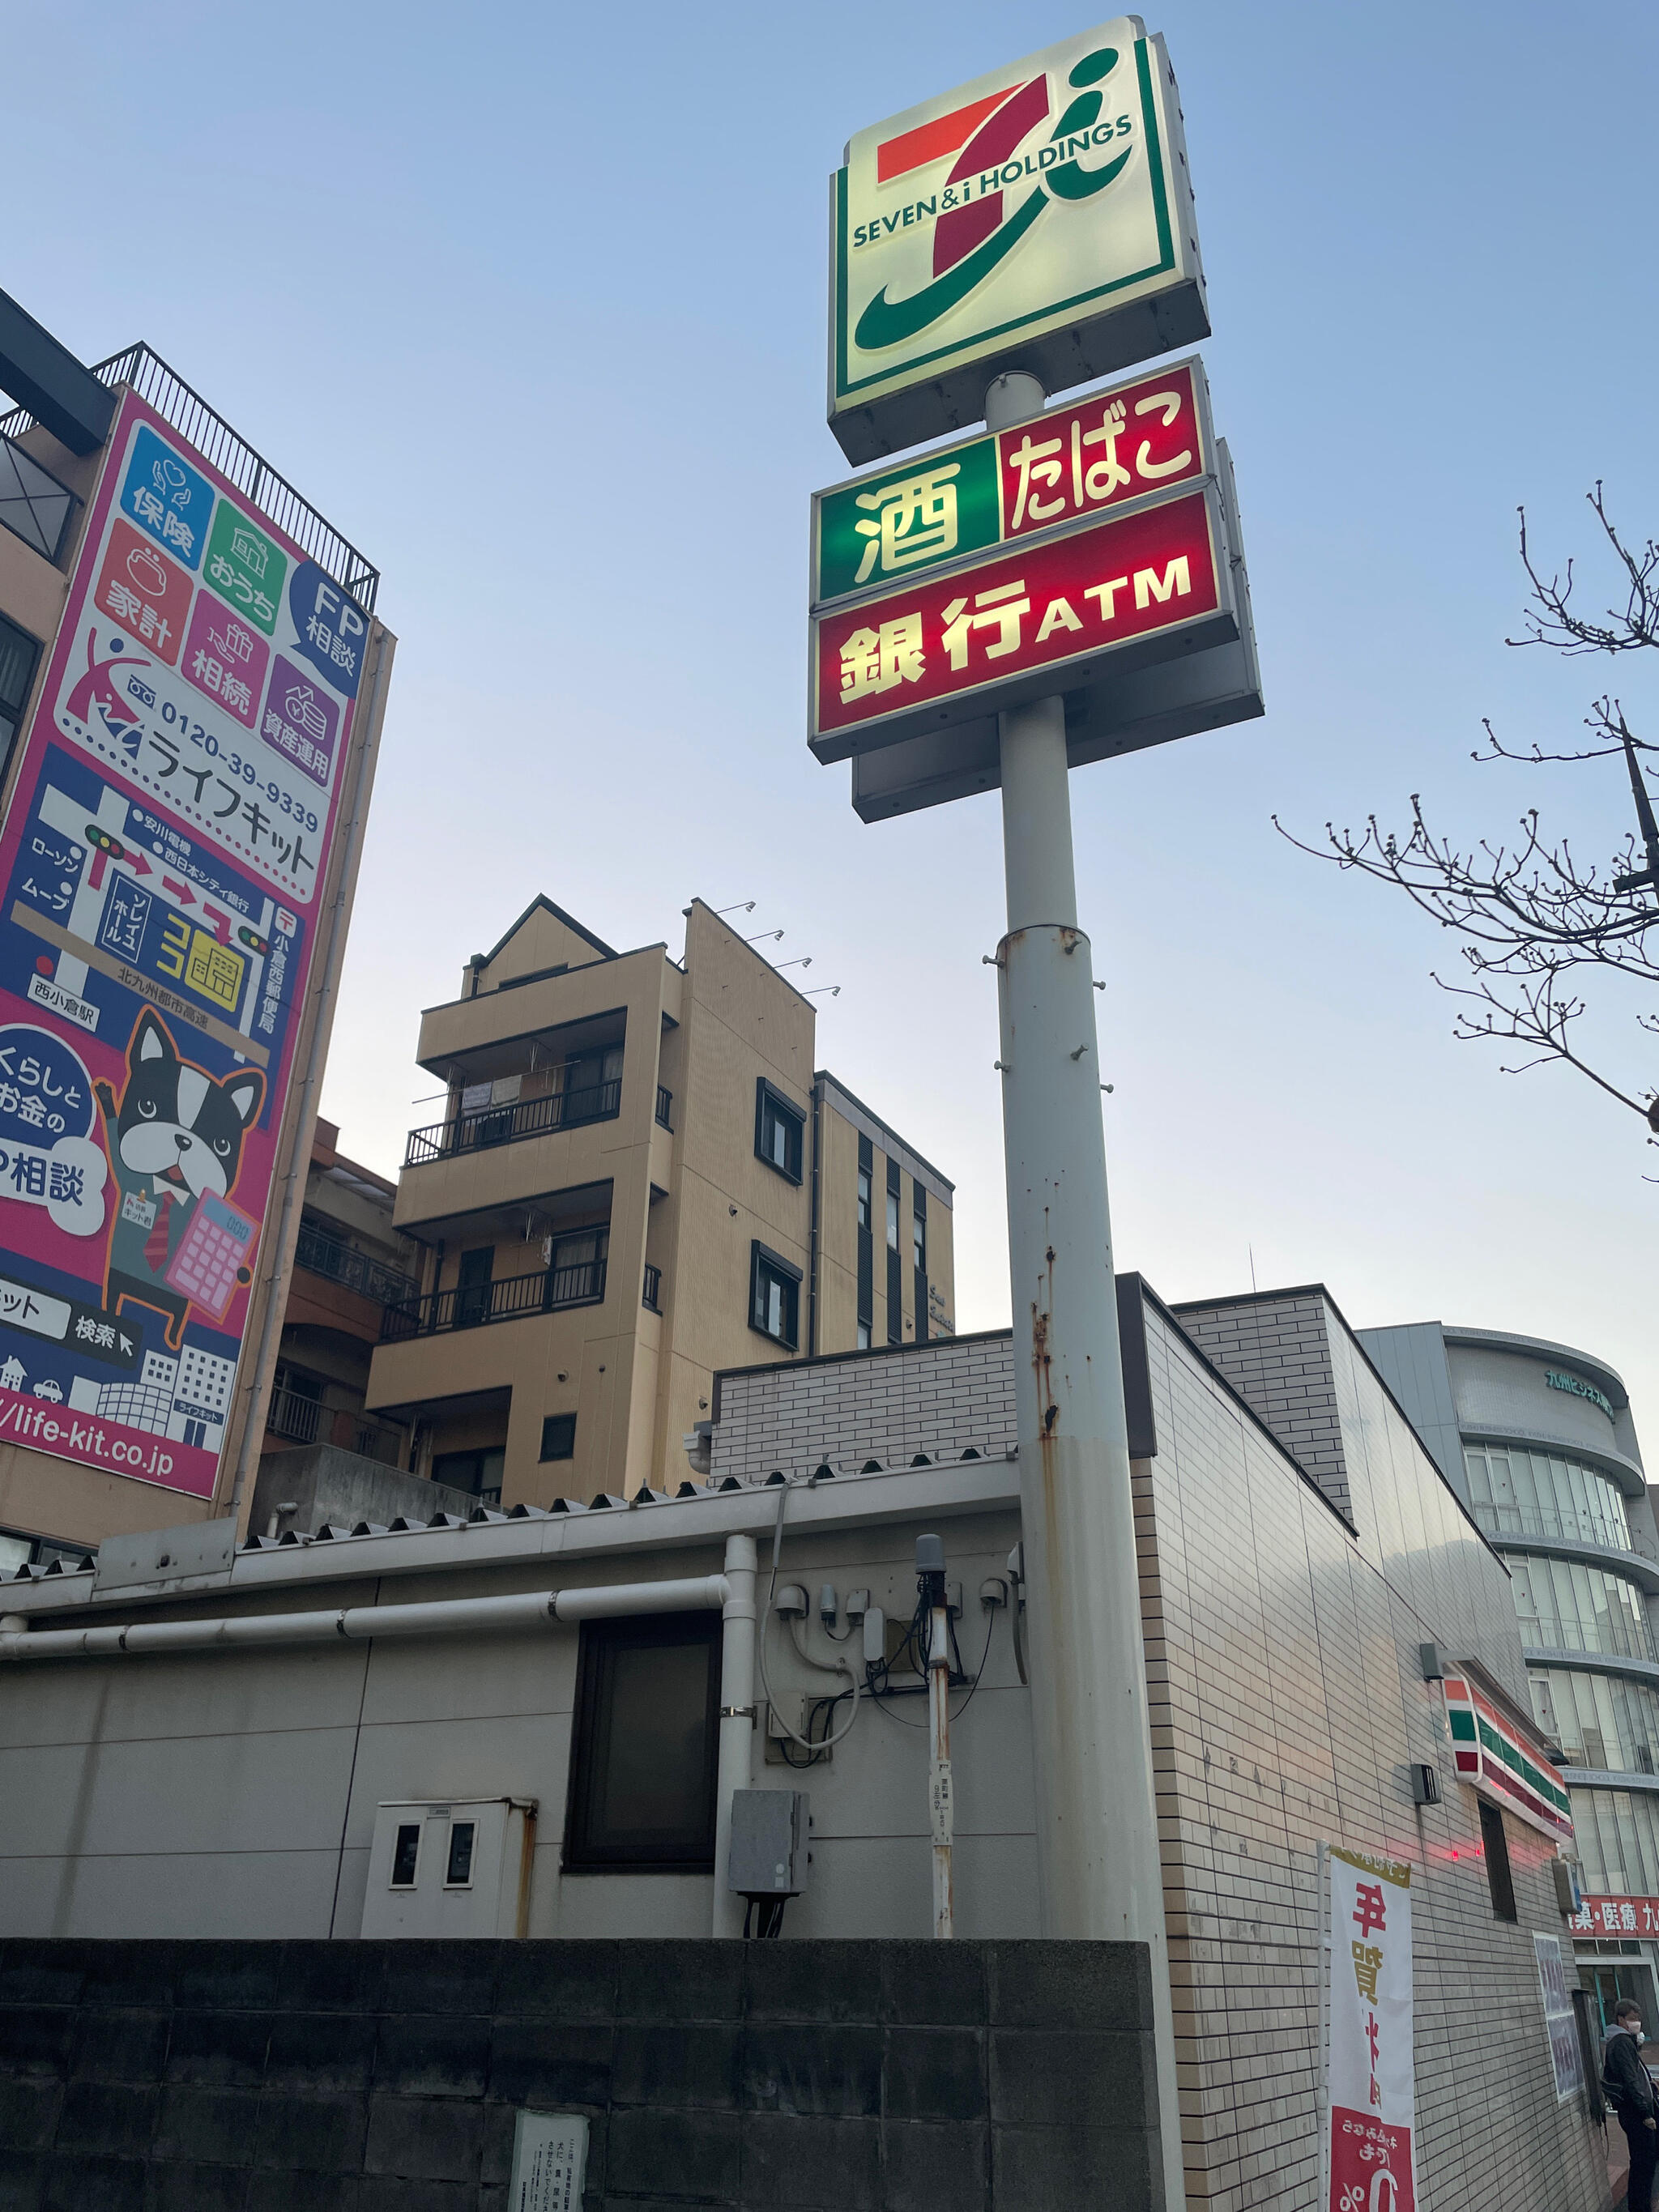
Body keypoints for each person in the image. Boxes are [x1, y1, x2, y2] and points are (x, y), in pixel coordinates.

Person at [1604, 1998, 1658, 2212]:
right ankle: (1641, 2206)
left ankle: (1645, 2203)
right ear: (1622, 2019)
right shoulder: (1621, 2043)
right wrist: (1646, 2113)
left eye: (1639, 2019)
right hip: (1636, 2112)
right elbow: (1630, 2079)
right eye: (1633, 2019)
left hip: (1636, 2108)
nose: (1637, 2023)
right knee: (1643, 2162)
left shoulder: (1624, 2041)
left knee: (1646, 2159)